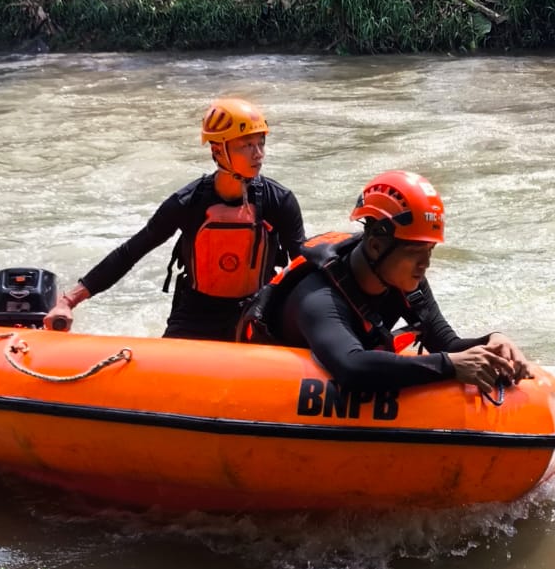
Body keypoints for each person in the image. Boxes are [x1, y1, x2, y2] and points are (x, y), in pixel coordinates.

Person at [239, 169, 528, 394]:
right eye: (415, 252)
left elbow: (448, 344)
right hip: (266, 384)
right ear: (376, 246)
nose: (425, 264)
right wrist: (448, 365)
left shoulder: (406, 282)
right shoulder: (317, 296)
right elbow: (351, 367)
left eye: (429, 251)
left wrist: (492, 342)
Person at [45, 96, 305, 342]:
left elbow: (303, 266)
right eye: (246, 145)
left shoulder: (278, 201)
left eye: (261, 143)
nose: (258, 153)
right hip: (197, 313)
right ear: (218, 150)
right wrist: (68, 301)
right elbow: (132, 251)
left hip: (256, 309)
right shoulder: (188, 202)